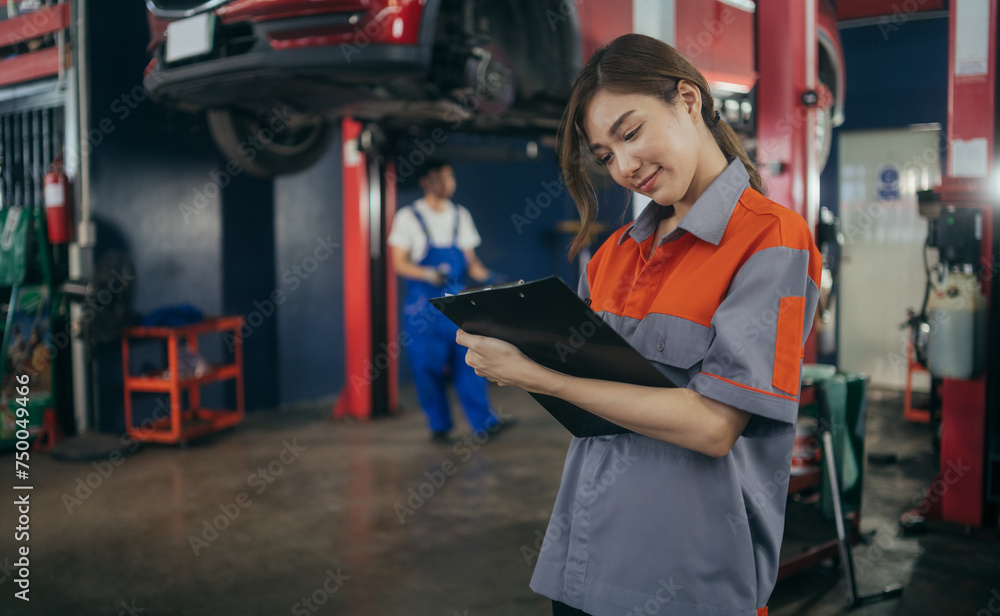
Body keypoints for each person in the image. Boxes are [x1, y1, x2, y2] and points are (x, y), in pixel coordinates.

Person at [457, 34, 821, 616]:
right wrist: (520, 342)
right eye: (604, 155)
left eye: (630, 133)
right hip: (581, 568)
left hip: (687, 579)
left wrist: (537, 377)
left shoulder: (771, 239)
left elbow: (713, 427)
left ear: (687, 99)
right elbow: (590, 407)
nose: (624, 167)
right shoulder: (611, 256)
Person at [388, 159, 506, 443]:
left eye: (450, 176)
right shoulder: (408, 217)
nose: (447, 182)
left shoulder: (460, 215)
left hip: (456, 304)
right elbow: (399, 263)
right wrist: (428, 273)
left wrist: (494, 278)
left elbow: (472, 264)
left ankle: (484, 424)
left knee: (469, 363)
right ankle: (439, 426)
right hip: (422, 308)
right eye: (440, 177)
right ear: (425, 182)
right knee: (427, 369)